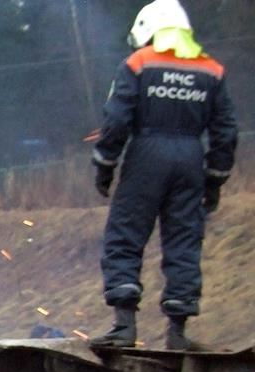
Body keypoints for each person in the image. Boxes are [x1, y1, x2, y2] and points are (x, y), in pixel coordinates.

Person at [90, 0, 237, 351]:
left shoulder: (138, 63)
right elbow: (226, 130)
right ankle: (177, 332)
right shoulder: (212, 70)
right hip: (190, 158)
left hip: (146, 156)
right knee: (184, 240)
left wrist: (105, 164)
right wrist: (214, 178)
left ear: (147, 29)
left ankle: (124, 327)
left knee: (125, 235)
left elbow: (117, 120)